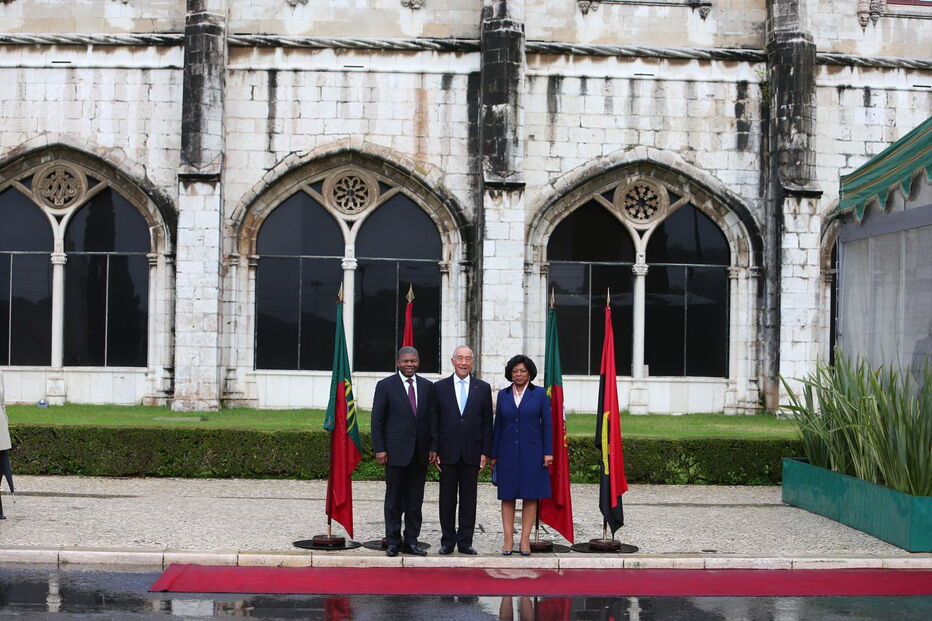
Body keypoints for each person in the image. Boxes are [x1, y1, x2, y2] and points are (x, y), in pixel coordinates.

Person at [370, 346, 435, 557]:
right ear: (398, 362)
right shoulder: (385, 386)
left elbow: (432, 420)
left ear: (418, 362)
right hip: (395, 453)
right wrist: (380, 449)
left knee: (415, 502)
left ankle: (412, 541)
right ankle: (393, 541)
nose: (410, 364)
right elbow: (377, 421)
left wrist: (433, 447)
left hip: (420, 454)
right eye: (406, 361)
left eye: (413, 361)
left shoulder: (427, 386)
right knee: (394, 501)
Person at [430, 345, 493, 555]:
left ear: (472, 362)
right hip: (447, 453)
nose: (464, 362)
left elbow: (487, 423)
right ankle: (447, 541)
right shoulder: (439, 388)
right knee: (447, 500)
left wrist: (485, 452)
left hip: (472, 453)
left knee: (469, 500)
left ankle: (465, 541)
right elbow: (435, 421)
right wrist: (435, 449)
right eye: (460, 358)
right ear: (452, 361)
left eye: (467, 359)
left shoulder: (483, 388)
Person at [490, 354, 553, 556]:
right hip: (506, 452)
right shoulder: (503, 395)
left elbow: (548, 426)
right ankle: (508, 539)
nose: (519, 374)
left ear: (530, 373)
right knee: (507, 495)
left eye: (522, 371)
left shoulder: (541, 394)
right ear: (510, 373)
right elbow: (498, 425)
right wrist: (494, 454)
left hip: (532, 452)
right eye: (515, 371)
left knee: (530, 494)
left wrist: (548, 452)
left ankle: (524, 540)